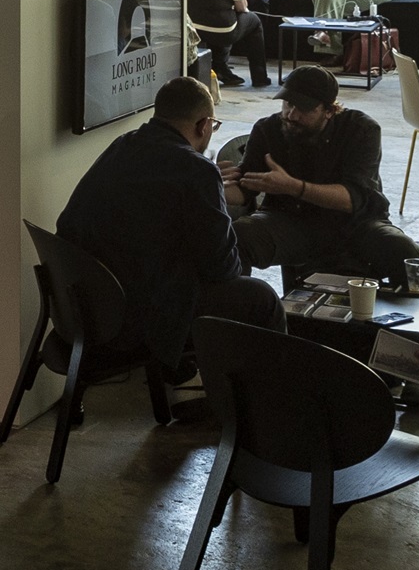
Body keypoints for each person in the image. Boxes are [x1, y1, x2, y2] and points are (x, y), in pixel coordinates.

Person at [58, 74, 285, 388]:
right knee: (260, 298)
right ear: (204, 125)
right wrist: (213, 193)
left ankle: (199, 375)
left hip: (86, 305)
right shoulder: (197, 171)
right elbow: (223, 269)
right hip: (135, 319)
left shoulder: (123, 145)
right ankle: (265, 403)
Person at [228, 66, 419, 289]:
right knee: (236, 237)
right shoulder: (268, 129)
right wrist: (209, 182)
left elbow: (351, 199)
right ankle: (235, 312)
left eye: (304, 109)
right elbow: (244, 188)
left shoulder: (361, 130)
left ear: (330, 110)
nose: (292, 115)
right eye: (288, 104)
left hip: (357, 224)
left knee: (405, 253)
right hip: (291, 221)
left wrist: (293, 187)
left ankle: (404, 319)